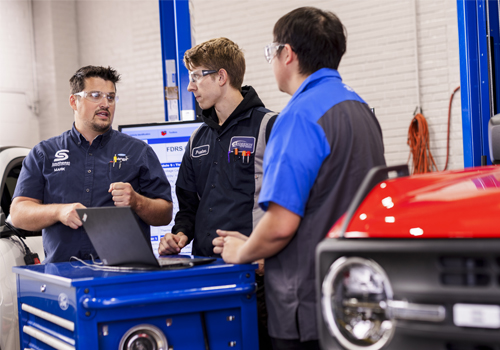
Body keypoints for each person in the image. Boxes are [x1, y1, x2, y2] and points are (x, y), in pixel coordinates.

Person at [213, 7, 386, 350]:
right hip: (354, 297)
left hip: (305, 307)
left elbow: (280, 224)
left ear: (286, 54)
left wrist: (244, 250)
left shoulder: (298, 117)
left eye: (271, 53)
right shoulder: (360, 108)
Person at [157, 37, 276, 350]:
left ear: (221, 77)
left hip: (256, 281)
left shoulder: (270, 127)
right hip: (205, 277)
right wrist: (179, 235)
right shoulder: (198, 138)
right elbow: (188, 206)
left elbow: (293, 204)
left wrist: (269, 254)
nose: (190, 86)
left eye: (196, 76)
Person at [10, 65, 173, 264]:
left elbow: (165, 213)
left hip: (124, 276)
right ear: (74, 101)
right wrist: (59, 212)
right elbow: (18, 214)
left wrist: (137, 202)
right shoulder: (44, 154)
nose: (105, 103)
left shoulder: (138, 152)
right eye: (95, 95)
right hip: (63, 276)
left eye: (111, 97)